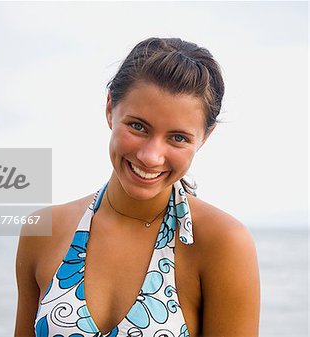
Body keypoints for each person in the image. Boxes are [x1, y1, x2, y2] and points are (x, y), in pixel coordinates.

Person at [14, 37, 260, 337]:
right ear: (109, 108)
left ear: (205, 138)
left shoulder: (223, 244)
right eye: (138, 127)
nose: (150, 156)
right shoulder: (44, 231)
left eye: (178, 138)